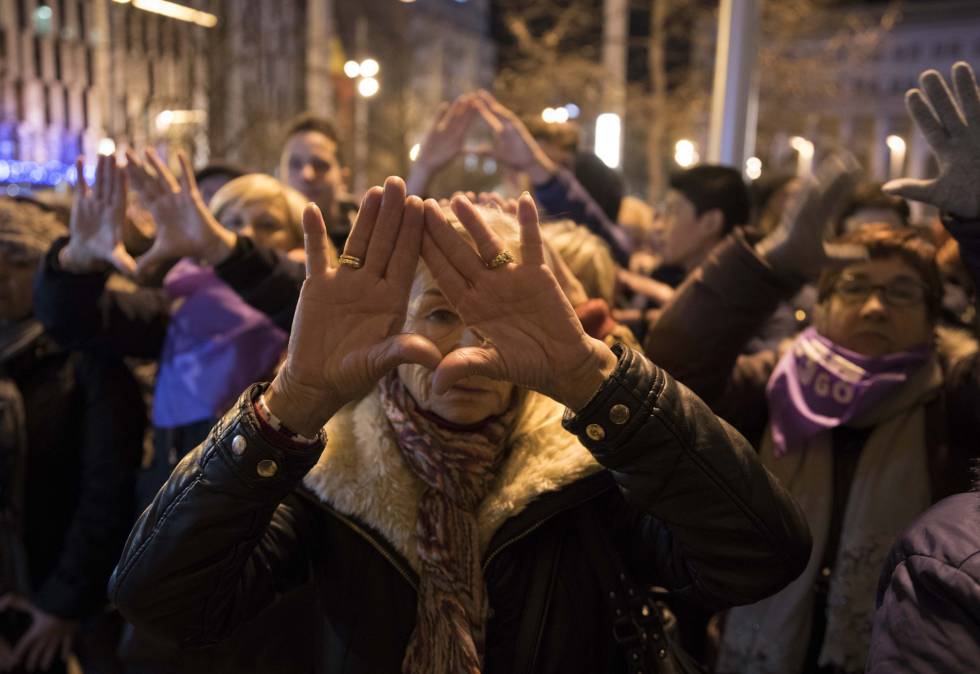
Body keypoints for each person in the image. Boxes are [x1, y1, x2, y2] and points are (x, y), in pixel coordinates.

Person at [108, 177, 812, 674]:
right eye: (441, 314)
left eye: (500, 321)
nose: (470, 349)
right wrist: (290, 401)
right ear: (390, 325)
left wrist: (595, 384)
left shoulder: (591, 463)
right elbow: (162, 604)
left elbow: (761, 556)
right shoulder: (329, 471)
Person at [645, 62, 980, 674]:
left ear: (936, 318)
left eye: (902, 292)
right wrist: (763, 267)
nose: (876, 305)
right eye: (854, 287)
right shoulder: (769, 385)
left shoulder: (955, 396)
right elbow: (666, 375)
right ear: (818, 307)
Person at [0, 197, 145, 673]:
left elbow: (107, 487)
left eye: (15, 260)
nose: (2, 274)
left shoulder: (88, 351)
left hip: (70, 608)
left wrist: (61, 604)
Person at [278, 113, 355, 251]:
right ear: (279, 176)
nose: (307, 175)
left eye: (320, 165)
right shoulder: (263, 246)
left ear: (343, 179)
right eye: (295, 164)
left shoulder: (370, 243)